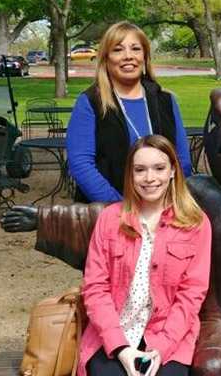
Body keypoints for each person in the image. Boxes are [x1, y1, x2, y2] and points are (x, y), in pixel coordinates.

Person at [78, 134, 211, 376]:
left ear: (173, 171)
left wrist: (161, 348)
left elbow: (191, 295)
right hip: (113, 333)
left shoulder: (195, 223)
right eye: (140, 170)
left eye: (159, 168)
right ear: (131, 174)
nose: (150, 178)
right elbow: (95, 288)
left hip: (167, 336)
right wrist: (121, 348)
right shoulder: (110, 219)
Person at [68, 21, 192, 203]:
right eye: (118, 50)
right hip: (108, 213)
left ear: (144, 56)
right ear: (106, 58)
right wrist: (118, 209)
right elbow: (81, 165)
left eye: (135, 49)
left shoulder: (165, 100)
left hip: (164, 209)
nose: (128, 56)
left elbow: (182, 161)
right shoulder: (90, 102)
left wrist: (168, 203)